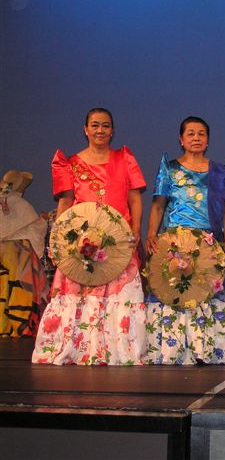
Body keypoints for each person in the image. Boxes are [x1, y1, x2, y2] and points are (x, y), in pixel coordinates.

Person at [32, 108, 147, 365]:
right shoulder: (71, 163)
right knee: (80, 295)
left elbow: (135, 198)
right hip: (80, 243)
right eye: (95, 125)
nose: (100, 130)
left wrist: (136, 229)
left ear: (112, 130)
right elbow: (65, 203)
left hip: (118, 241)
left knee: (120, 295)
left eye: (105, 125)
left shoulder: (124, 159)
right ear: (85, 129)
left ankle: (118, 351)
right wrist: (58, 238)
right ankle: (78, 348)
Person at [144, 116, 225, 364]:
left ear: (208, 140)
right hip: (175, 244)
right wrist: (152, 235)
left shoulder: (221, 172)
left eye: (201, 134)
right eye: (190, 133)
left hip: (210, 244)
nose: (196, 138)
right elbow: (158, 205)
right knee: (176, 290)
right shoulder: (170, 168)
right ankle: (173, 351)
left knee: (209, 295)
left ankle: (209, 350)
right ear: (181, 139)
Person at [0, 170, 48, 337]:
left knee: (3, 288)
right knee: (19, 290)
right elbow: (36, 230)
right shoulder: (22, 205)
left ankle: (3, 325)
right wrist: (43, 220)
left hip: (2, 254)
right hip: (20, 255)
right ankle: (19, 325)